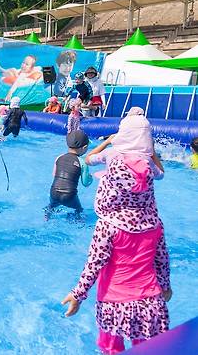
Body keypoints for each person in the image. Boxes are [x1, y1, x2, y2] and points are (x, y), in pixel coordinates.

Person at [61, 117, 170, 354]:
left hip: (114, 304)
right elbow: (162, 260)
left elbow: (94, 264)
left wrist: (78, 295)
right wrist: (166, 286)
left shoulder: (108, 225)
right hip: (152, 302)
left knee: (112, 351)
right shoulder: (154, 224)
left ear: (110, 189)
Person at [45, 130, 93, 221]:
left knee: (51, 207)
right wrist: (90, 178)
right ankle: (79, 223)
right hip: (69, 194)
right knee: (78, 210)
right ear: (84, 147)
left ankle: (46, 218)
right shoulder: (82, 162)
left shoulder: (59, 157)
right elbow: (86, 183)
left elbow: (54, 174)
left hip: (54, 191)